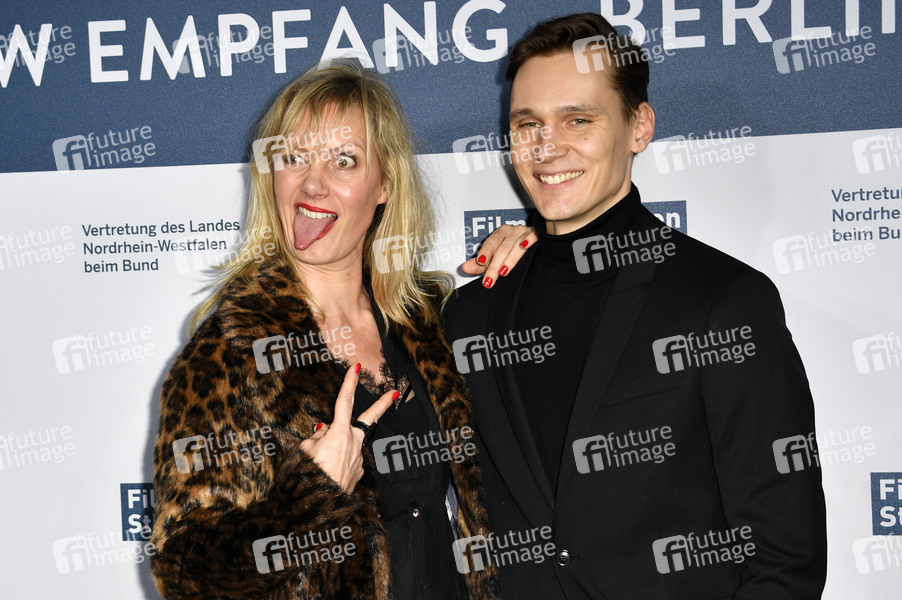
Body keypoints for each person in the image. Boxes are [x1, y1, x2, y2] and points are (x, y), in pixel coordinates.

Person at [445, 12, 827, 600]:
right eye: (527, 124)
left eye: (578, 119)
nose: (547, 146)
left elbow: (784, 554)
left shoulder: (722, 300)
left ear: (639, 127)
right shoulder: (469, 315)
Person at [150, 60, 512, 600]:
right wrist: (308, 496)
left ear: (385, 184)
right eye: (294, 157)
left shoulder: (427, 320)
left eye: (344, 161)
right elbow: (185, 572)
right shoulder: (231, 352)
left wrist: (536, 250)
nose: (313, 183)